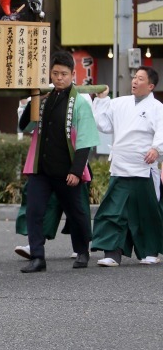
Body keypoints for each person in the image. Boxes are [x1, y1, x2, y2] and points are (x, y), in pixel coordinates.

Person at [18, 51, 99, 273]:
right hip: (41, 168)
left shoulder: (80, 102)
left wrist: (76, 170)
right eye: (55, 73)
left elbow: (86, 140)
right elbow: (25, 126)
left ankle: (82, 251)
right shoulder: (45, 98)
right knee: (34, 211)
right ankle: (37, 256)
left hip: (67, 170)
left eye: (63, 74)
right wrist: (33, 101)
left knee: (77, 212)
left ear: (73, 74)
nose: (59, 78)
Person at [91, 67, 163, 266]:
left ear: (150, 86)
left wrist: (156, 149)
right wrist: (103, 99)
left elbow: (162, 130)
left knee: (146, 212)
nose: (134, 81)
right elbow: (103, 124)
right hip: (120, 166)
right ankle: (112, 253)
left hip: (143, 167)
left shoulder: (157, 107)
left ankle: (150, 251)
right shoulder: (119, 103)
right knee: (114, 210)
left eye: (140, 79)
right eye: (134, 77)